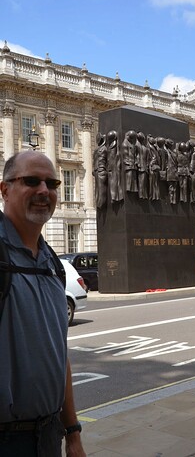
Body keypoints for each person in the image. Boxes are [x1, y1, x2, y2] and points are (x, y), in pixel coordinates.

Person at [0, 151, 86, 457]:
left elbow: (59, 354)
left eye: (51, 183)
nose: (43, 191)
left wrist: (72, 433)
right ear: (5, 189)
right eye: (31, 181)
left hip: (49, 438)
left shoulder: (53, 264)